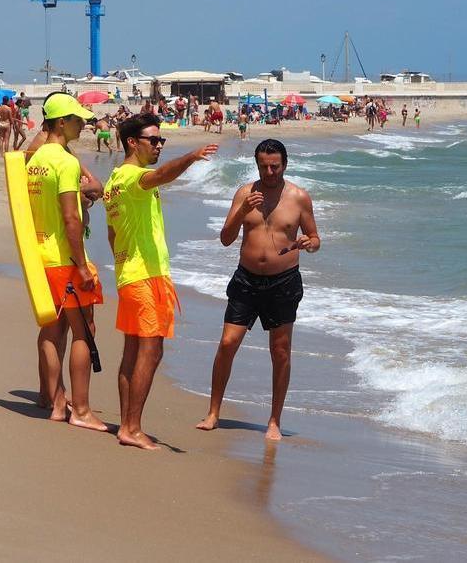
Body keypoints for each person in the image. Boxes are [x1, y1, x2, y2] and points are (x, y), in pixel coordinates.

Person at [104, 113, 217, 449]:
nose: (159, 146)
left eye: (161, 140)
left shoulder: (112, 181)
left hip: (131, 273)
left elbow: (112, 235)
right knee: (150, 351)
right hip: (145, 275)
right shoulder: (130, 177)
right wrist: (190, 157)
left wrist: (123, 260)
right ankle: (132, 428)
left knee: (133, 350)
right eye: (153, 140)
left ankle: (127, 423)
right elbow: (158, 177)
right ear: (131, 143)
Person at [197, 139, 320, 441]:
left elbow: (315, 237)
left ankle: (274, 421)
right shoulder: (244, 194)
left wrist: (310, 244)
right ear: (256, 165)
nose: (269, 172)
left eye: (274, 166)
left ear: (285, 164)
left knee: (279, 351)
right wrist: (241, 212)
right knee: (228, 343)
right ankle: (213, 412)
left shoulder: (299, 197)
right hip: (246, 280)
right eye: (263, 166)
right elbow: (225, 238)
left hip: (283, 283)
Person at [26, 92, 106, 431]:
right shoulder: (64, 161)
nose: (82, 124)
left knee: (51, 327)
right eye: (77, 120)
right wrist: (82, 265)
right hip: (64, 257)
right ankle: (82, 410)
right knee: (84, 332)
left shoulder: (34, 160)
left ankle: (57, 401)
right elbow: (72, 218)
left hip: (40, 255)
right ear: (61, 123)